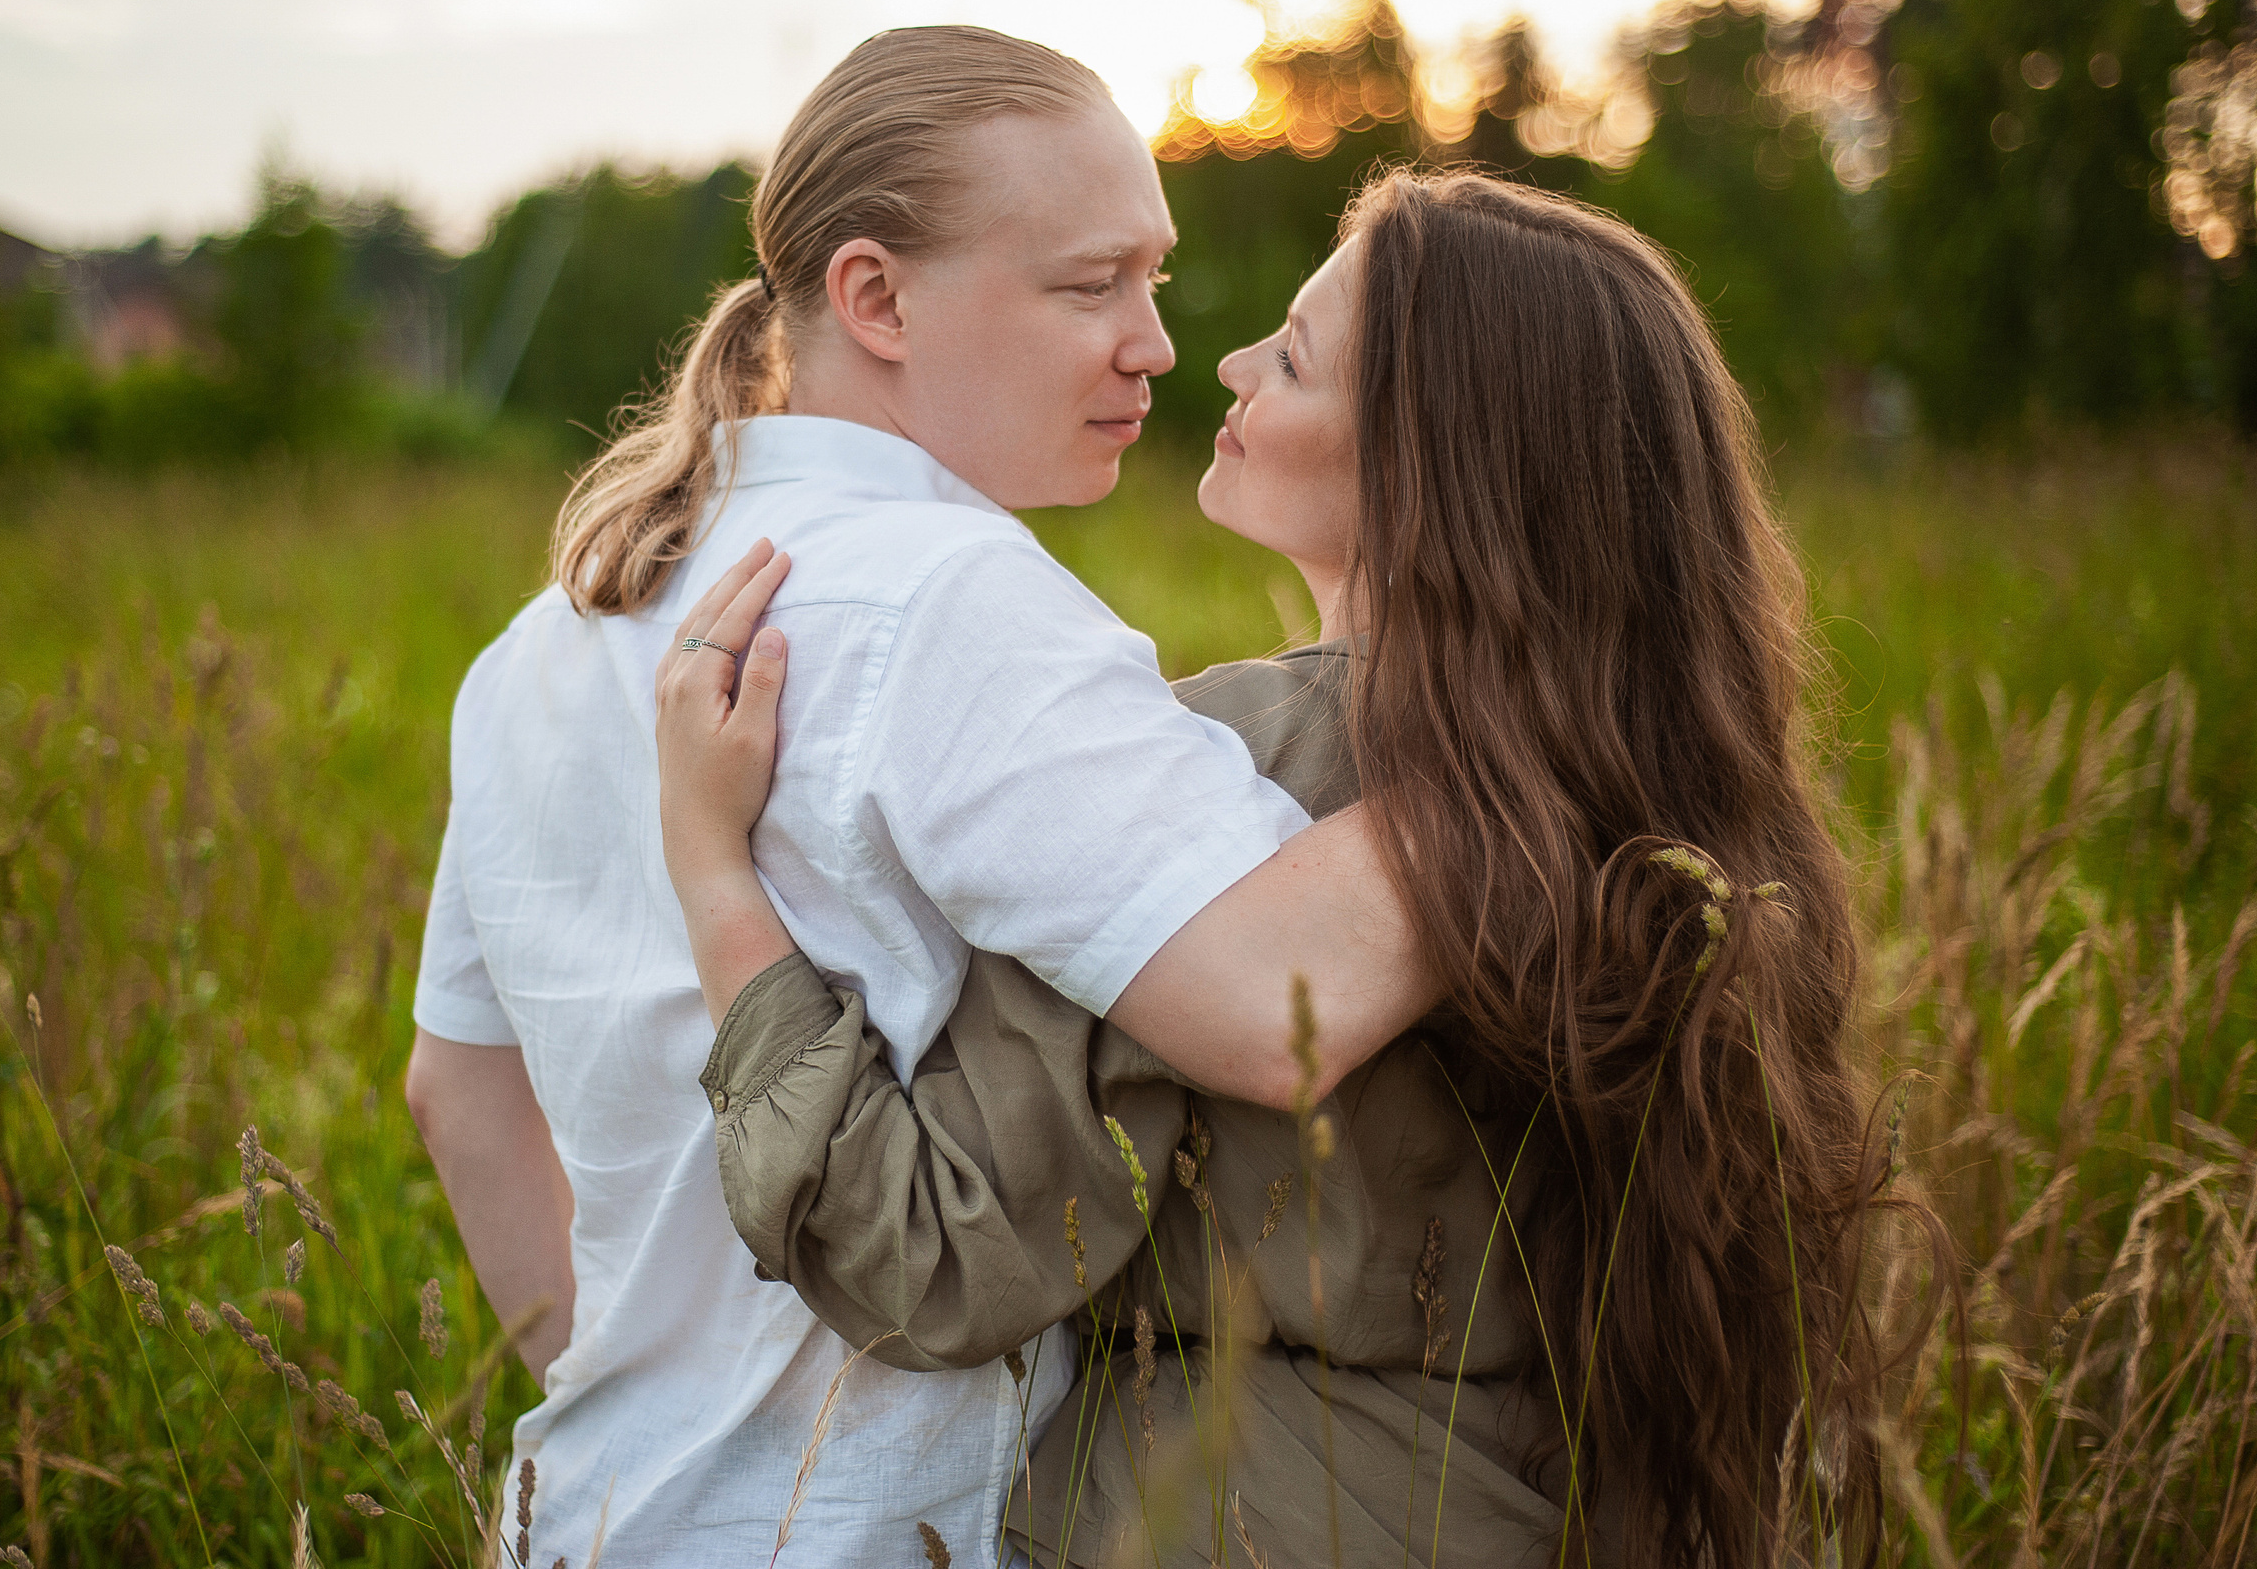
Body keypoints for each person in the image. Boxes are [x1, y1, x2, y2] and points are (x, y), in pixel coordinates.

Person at [654, 170, 1901, 1569]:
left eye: (1294, 357)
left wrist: (712, 869)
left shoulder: (1215, 772)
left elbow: (922, 1261)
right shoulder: (1697, 822)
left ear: (1434, 458)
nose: (1228, 363)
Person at [404, 27, 1435, 1567]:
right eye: (1091, 286)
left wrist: (652, 1399)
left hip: (590, 1517)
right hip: (878, 1530)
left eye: (1152, 277)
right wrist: (1587, 718)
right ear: (875, 298)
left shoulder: (541, 643)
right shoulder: (953, 600)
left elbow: (458, 1096)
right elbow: (1277, 995)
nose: (1153, 341)